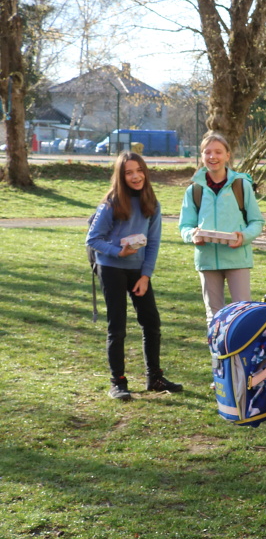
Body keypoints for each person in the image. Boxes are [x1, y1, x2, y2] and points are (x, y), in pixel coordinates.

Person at [86, 151, 183, 400]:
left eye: (139, 170)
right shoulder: (110, 204)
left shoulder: (152, 203)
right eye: (129, 172)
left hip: (138, 271)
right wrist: (117, 251)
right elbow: (93, 239)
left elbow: (153, 242)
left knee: (151, 322)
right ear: (121, 176)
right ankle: (118, 382)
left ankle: (155, 377)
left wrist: (145, 275)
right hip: (111, 268)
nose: (135, 176)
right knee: (117, 326)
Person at [179, 131, 265, 323]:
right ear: (202, 156)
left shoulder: (241, 186)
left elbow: (257, 222)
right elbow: (185, 225)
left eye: (218, 152)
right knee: (213, 316)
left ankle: (241, 345)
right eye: (207, 152)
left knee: (242, 314)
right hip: (207, 259)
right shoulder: (194, 190)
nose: (213, 156)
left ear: (227, 155)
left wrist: (243, 237)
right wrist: (192, 235)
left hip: (237, 260)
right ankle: (216, 345)